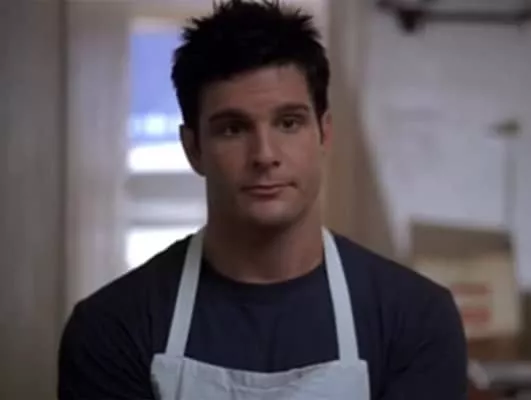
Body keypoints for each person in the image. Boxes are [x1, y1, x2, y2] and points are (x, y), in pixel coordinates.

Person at [58, 1, 468, 399]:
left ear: (324, 134)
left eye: (288, 123)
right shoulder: (112, 327)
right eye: (233, 129)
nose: (264, 155)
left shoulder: (415, 319)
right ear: (193, 149)